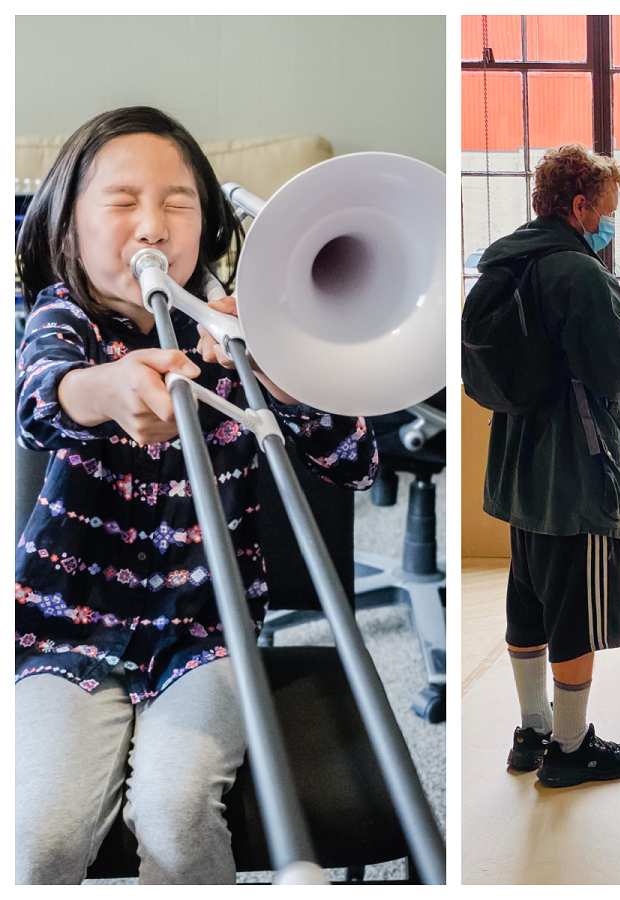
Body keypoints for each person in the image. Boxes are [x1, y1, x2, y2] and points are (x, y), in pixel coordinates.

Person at [13, 106, 380, 883]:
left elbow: (356, 463)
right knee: (37, 841)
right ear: (68, 225)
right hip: (62, 630)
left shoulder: (240, 326)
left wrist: (287, 374)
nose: (153, 226)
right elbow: (39, 397)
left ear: (208, 224)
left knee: (179, 822)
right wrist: (104, 388)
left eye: (179, 203)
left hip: (208, 631)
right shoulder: (64, 316)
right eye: (121, 202)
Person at [481, 145, 620, 786]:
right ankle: (570, 750)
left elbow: (550, 349)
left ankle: (532, 730)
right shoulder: (580, 272)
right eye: (610, 211)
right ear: (579, 206)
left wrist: (611, 324)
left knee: (528, 602)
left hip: (517, 471)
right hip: (576, 477)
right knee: (575, 616)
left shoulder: (509, 262)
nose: (611, 224)